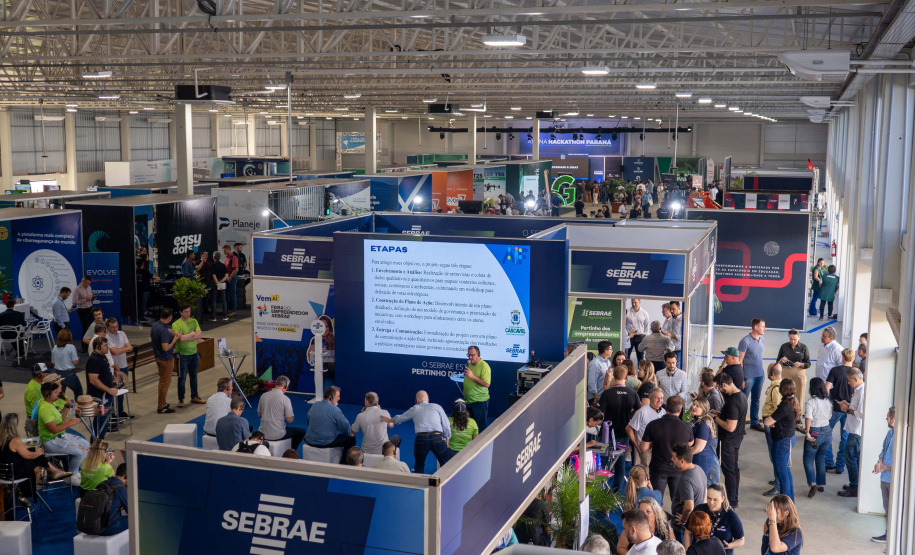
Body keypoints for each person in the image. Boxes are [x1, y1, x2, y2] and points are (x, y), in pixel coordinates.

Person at [0, 413, 72, 505]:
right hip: (13, 474)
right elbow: (28, 456)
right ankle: (28, 495)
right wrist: (38, 452)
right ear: (14, 425)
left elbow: (16, 449)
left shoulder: (3, 438)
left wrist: (33, 448)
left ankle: (55, 472)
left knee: (34, 454)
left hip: (3, 473)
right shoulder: (15, 441)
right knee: (37, 466)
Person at [382, 390, 452, 473]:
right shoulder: (437, 407)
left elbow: (400, 418)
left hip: (421, 439)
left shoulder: (415, 408)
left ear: (417, 400)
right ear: (428, 400)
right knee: (447, 464)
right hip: (437, 438)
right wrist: (447, 437)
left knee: (419, 465)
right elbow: (446, 424)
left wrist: (389, 420)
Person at [641, 396, 694, 504]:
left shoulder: (653, 424)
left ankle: (657, 520)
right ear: (680, 410)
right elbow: (690, 444)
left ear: (665, 407)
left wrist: (655, 442)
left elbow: (644, 447)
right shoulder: (686, 427)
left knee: (656, 502)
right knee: (678, 502)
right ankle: (678, 520)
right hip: (678, 468)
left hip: (658, 468)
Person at [37, 381, 89, 486]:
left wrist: (66, 406)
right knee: (81, 452)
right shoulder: (45, 409)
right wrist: (70, 423)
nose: (58, 393)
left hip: (60, 436)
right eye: (55, 392)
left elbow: (60, 419)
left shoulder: (51, 403)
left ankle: (74, 473)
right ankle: (71, 475)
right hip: (51, 441)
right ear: (48, 394)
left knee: (86, 445)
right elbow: (54, 429)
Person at [599, 364, 640, 490]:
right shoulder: (632, 394)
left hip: (607, 433)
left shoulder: (607, 394)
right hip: (624, 433)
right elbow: (639, 412)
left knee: (604, 463)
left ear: (614, 377)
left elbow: (600, 413)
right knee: (620, 465)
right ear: (626, 378)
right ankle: (615, 494)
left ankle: (600, 492)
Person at [764, 379, 801, 502]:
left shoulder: (785, 406)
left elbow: (767, 422)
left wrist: (772, 422)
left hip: (782, 442)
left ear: (782, 390)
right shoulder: (792, 402)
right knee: (786, 471)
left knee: (782, 474)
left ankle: (785, 503)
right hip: (788, 438)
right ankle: (790, 500)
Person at [713, 373, 747, 509]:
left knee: (729, 471)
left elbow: (730, 426)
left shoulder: (733, 402)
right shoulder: (741, 396)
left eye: (720, 388)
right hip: (736, 440)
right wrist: (720, 414)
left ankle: (732, 501)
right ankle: (734, 498)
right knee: (734, 469)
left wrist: (715, 419)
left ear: (725, 385)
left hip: (728, 441)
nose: (720, 391)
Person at [690, 484, 745, 555]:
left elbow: (741, 540)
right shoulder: (699, 510)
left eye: (715, 499)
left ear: (723, 498)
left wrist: (727, 546)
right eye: (709, 498)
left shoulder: (731, 516)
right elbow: (688, 532)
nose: (711, 502)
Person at [824, 347, 854, 475]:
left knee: (827, 433)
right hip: (849, 410)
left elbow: (826, 388)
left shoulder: (835, 370)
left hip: (835, 407)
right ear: (852, 358)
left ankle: (829, 463)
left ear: (842, 357)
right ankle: (840, 466)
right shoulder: (856, 373)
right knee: (845, 438)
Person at [802, 378, 832, 498]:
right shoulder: (828, 401)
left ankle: (812, 483)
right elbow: (829, 416)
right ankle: (820, 484)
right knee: (821, 458)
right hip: (827, 432)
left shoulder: (811, 402)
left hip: (815, 433)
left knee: (808, 460)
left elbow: (808, 417)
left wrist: (807, 432)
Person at [305, 385, 353, 460]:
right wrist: (349, 434)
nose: (339, 398)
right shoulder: (335, 410)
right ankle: (343, 464)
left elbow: (308, 421)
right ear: (331, 397)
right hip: (325, 442)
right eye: (338, 396)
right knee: (351, 440)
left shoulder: (315, 405)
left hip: (309, 440)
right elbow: (345, 425)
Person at [837, 367, 864, 498]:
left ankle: (854, 487)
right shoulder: (858, 390)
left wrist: (847, 410)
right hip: (853, 428)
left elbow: (861, 414)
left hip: (856, 430)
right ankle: (856, 484)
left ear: (855, 379)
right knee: (853, 457)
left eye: (849, 381)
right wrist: (848, 405)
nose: (848, 383)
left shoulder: (862, 392)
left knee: (850, 457)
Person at [258, 375, 306, 450]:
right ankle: (292, 451)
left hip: (262, 433)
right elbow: (290, 420)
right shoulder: (285, 399)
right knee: (301, 430)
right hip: (278, 435)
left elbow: (259, 415)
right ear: (285, 386)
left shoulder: (263, 396)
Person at [671, 442, 707, 540]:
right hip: (695, 521)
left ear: (682, 461)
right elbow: (705, 494)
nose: (672, 459)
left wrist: (683, 520)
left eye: (674, 458)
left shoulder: (685, 479)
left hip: (683, 527)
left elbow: (689, 507)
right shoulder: (699, 469)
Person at [86, 337, 120, 439]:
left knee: (103, 424)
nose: (107, 348)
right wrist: (109, 389)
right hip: (100, 398)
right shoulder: (94, 360)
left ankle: (99, 448)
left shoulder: (102, 357)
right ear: (98, 346)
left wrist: (111, 382)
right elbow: (93, 380)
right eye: (105, 345)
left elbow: (100, 376)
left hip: (105, 396)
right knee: (100, 426)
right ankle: (97, 449)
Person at [172, 304, 203, 408]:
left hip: (194, 353)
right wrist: (192, 334)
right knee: (182, 378)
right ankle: (181, 399)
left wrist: (187, 336)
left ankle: (194, 396)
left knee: (194, 377)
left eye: (189, 311)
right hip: (183, 355)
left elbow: (199, 335)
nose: (188, 313)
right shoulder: (176, 324)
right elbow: (180, 339)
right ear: (180, 312)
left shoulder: (194, 321)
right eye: (186, 312)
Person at [737, 318, 765, 431]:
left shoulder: (762, 339)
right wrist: (742, 378)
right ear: (756, 327)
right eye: (763, 326)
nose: (764, 328)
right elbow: (740, 360)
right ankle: (740, 424)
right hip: (748, 376)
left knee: (756, 399)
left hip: (760, 374)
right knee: (743, 400)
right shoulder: (745, 341)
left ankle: (754, 422)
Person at [761, 363, 784, 496]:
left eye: (768, 371)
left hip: (772, 426)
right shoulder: (779, 384)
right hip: (771, 425)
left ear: (772, 374)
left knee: (774, 456)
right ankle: (777, 480)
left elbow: (777, 408)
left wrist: (771, 422)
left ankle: (778, 485)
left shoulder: (775, 388)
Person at [872, 406, 895, 543]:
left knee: (894, 509)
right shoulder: (890, 434)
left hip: (893, 479)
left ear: (893, 418)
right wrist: (879, 462)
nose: (886, 419)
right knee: (887, 508)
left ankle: (893, 536)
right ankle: (888, 534)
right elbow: (883, 450)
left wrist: (884, 467)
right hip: (885, 478)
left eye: (888, 417)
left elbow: (901, 462)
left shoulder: (903, 438)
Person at [151, 309, 180, 414]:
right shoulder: (163, 330)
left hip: (158, 357)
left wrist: (171, 335)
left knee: (162, 382)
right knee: (165, 383)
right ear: (169, 317)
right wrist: (174, 339)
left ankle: (162, 402)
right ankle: (161, 406)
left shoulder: (155, 326)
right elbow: (166, 347)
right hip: (165, 359)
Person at [627, 388, 665, 468]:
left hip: (659, 448)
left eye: (661, 398)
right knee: (646, 472)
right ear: (650, 398)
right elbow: (628, 428)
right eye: (656, 398)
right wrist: (636, 445)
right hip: (646, 448)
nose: (659, 400)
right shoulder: (642, 411)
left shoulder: (663, 412)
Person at [776, 329, 811, 417]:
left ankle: (797, 418)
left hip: (799, 371)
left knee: (799, 395)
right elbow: (777, 362)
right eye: (791, 339)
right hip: (786, 371)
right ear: (788, 337)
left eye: (795, 339)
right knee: (783, 393)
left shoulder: (803, 347)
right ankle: (783, 415)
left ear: (799, 337)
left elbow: (808, 363)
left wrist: (800, 364)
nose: (793, 341)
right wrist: (781, 361)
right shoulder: (784, 347)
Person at [104, 318, 134, 418]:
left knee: (122, 389)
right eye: (113, 327)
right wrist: (125, 349)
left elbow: (130, 347)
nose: (115, 329)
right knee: (112, 392)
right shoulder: (107, 337)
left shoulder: (122, 334)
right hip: (113, 369)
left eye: (116, 326)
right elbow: (114, 352)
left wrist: (120, 349)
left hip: (124, 366)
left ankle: (120, 411)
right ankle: (111, 413)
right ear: (107, 327)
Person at [690, 398, 719, 485]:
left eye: (697, 406)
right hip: (697, 457)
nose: (693, 407)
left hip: (701, 459)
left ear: (703, 409)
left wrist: (682, 454)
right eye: (694, 404)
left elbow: (698, 448)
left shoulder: (703, 424)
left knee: (698, 486)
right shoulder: (696, 420)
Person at [463, 346, 491, 431]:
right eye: (469, 355)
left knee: (480, 427)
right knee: (470, 426)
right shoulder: (469, 364)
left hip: (479, 401)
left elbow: (486, 384)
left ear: (478, 354)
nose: (470, 357)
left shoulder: (484, 366)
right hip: (468, 400)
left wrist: (472, 376)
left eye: (472, 355)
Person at [50, 329, 83, 398]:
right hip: (69, 374)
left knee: (60, 394)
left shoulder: (55, 347)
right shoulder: (71, 347)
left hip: (58, 374)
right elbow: (75, 362)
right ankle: (77, 407)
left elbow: (53, 363)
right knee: (78, 391)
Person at [101, 463, 129, 536]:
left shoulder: (104, 483)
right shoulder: (120, 488)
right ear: (126, 476)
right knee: (136, 520)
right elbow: (131, 511)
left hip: (95, 524)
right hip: (108, 528)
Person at [72, 276, 97, 344]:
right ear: (83, 281)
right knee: (85, 327)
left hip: (89, 308)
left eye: (89, 283)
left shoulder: (89, 288)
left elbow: (89, 298)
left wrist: (92, 299)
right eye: (87, 283)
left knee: (91, 327)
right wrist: (85, 300)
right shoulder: (77, 289)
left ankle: (90, 344)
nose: (88, 285)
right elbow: (74, 302)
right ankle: (84, 345)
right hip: (82, 310)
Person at [663, 301, 683, 367]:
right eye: (670, 309)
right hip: (670, 348)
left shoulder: (684, 320)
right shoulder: (670, 319)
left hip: (678, 349)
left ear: (679, 308)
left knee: (676, 368)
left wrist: (672, 335)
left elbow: (686, 337)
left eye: (673, 309)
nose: (671, 311)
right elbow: (669, 330)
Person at [210, 251, 229, 321]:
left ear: (213, 257)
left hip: (215, 283)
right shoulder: (223, 265)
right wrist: (221, 281)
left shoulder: (212, 265)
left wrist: (217, 282)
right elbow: (226, 275)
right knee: (223, 299)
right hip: (222, 282)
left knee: (214, 299)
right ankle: (225, 316)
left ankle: (214, 316)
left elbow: (213, 275)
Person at [222, 244, 239, 317]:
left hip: (232, 277)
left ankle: (233, 310)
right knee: (227, 295)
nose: (224, 252)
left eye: (224, 250)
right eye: (223, 250)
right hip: (227, 277)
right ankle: (227, 310)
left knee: (233, 294)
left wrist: (230, 277)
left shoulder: (234, 258)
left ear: (228, 249)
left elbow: (236, 269)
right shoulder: (226, 258)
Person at [136, 259, 153, 323]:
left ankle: (138, 317)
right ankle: (141, 317)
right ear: (143, 264)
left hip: (138, 290)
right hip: (145, 290)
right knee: (143, 304)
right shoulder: (145, 271)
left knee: (139, 304)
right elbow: (152, 276)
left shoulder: (136, 271)